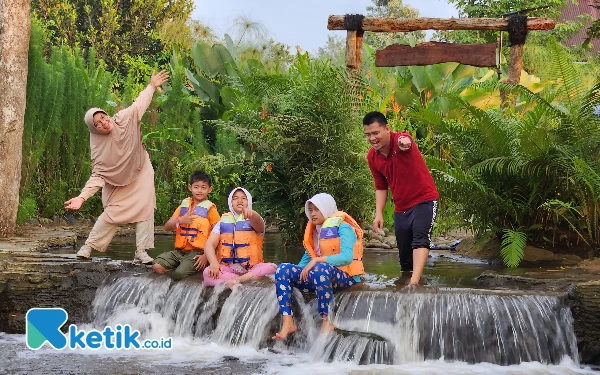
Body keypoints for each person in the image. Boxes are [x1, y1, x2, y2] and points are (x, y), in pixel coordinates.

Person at [65, 70, 169, 264]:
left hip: (140, 169)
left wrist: (152, 86)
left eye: (103, 117)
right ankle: (88, 246)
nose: (104, 123)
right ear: (94, 129)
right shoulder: (99, 149)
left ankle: (142, 251)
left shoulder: (123, 118)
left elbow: (139, 104)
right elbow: (98, 176)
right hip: (116, 179)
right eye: (98, 124)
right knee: (113, 211)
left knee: (146, 207)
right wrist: (81, 198)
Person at [362, 111, 439, 290]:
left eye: (375, 133)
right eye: (368, 135)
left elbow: (405, 141)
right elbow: (381, 186)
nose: (372, 138)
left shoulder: (400, 141)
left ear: (387, 129)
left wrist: (404, 142)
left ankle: (413, 284)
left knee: (420, 239)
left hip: (424, 200)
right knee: (405, 258)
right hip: (401, 208)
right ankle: (407, 281)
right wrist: (378, 213)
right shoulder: (372, 157)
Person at [272, 193, 364, 340]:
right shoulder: (316, 231)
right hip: (322, 276)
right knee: (283, 269)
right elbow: (305, 262)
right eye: (311, 210)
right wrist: (289, 276)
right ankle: (288, 321)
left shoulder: (344, 228)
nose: (313, 214)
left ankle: (327, 321)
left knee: (320, 268)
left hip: (347, 277)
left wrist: (318, 260)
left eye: (317, 210)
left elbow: (346, 258)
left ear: (327, 209)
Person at [152, 171, 220, 280]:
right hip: (179, 252)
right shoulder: (183, 207)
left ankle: (188, 268)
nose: (199, 190)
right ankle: (181, 266)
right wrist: (180, 220)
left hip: (198, 253)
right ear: (190, 187)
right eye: (196, 187)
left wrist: (206, 257)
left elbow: (219, 235)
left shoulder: (211, 210)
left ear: (209, 189)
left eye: (203, 187)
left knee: (179, 274)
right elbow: (167, 227)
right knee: (157, 266)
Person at [202, 187, 276, 288]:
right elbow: (209, 245)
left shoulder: (254, 220)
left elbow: (258, 222)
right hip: (229, 269)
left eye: (243, 198)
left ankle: (238, 280)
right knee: (207, 272)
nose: (239, 200)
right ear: (230, 202)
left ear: (249, 202)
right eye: (235, 198)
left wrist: (252, 214)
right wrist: (213, 263)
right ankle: (232, 282)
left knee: (272, 267)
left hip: (251, 268)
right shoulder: (221, 223)